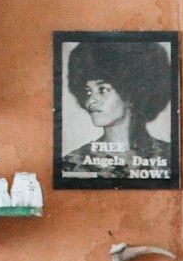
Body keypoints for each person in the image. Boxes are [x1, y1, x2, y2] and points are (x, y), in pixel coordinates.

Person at [62, 38, 174, 182]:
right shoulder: (73, 164)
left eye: (102, 89)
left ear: (131, 93)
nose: (91, 101)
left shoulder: (169, 157)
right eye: (88, 91)